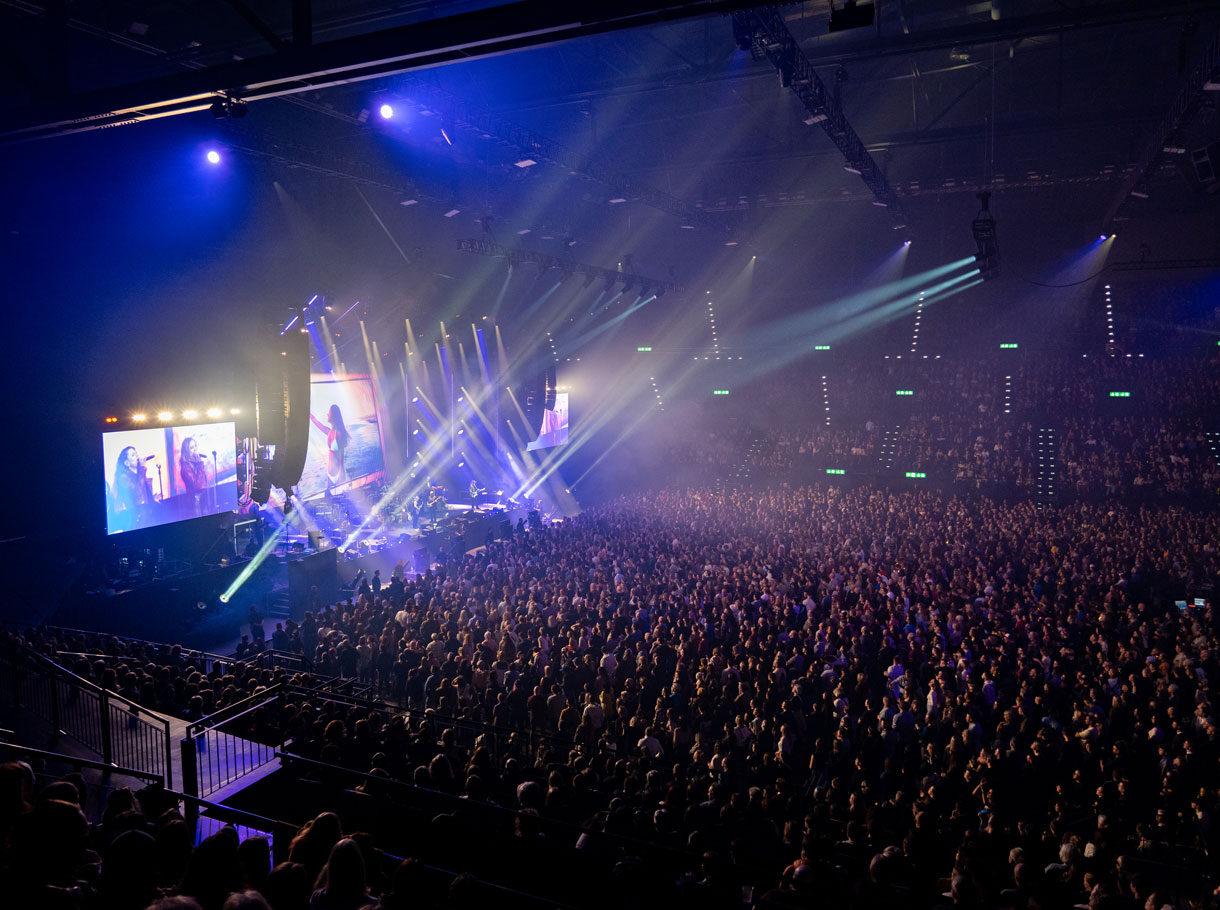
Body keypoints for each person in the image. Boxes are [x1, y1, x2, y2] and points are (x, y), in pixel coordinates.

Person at [112, 445, 155, 531]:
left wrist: (152, 498)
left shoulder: (138, 475)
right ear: (127, 463)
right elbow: (138, 492)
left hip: (147, 517)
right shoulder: (123, 478)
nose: (137, 457)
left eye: (136, 454)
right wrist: (143, 468)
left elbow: (144, 493)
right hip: (137, 522)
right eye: (133, 455)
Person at [310, 404, 350, 491]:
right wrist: (309, 415)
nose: (327, 414)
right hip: (330, 474)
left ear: (333, 416)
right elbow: (318, 423)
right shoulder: (330, 432)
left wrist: (341, 474)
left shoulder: (338, 434)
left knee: (339, 501)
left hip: (338, 474)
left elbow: (341, 456)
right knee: (330, 499)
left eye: (329, 413)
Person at [180, 436, 210, 515]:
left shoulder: (195, 463)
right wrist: (200, 463)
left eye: (195, 446)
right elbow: (197, 485)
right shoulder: (185, 467)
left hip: (203, 498)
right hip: (196, 502)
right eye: (192, 447)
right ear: (186, 451)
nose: (195, 449)